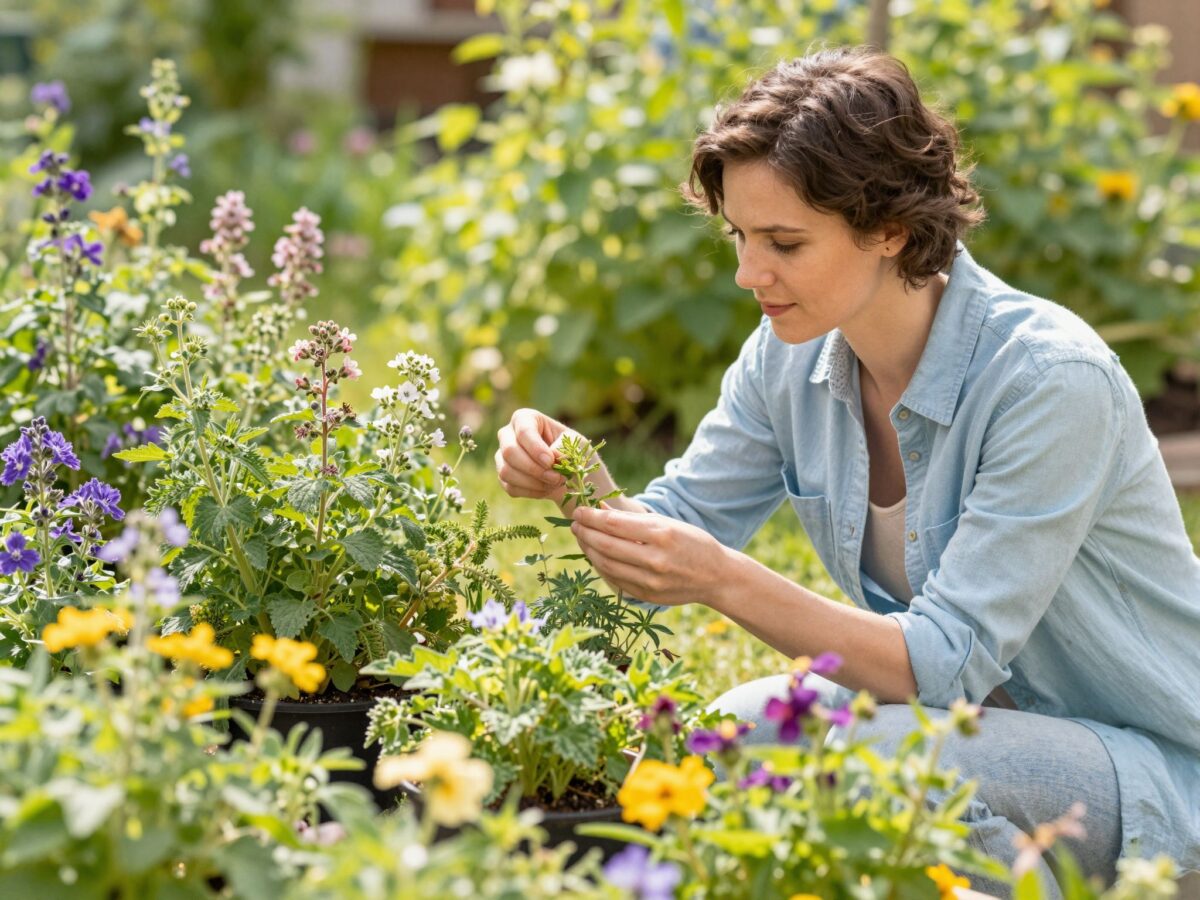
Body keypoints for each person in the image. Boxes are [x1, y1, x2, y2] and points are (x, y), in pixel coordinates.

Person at [494, 47, 1200, 897]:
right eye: (742, 238)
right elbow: (670, 539)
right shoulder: (788, 361)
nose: (750, 274)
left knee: (877, 756)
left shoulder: (1049, 381)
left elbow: (936, 668)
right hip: (968, 739)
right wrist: (574, 476)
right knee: (726, 734)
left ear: (889, 228)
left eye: (785, 242)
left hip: (1155, 771)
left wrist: (721, 580)